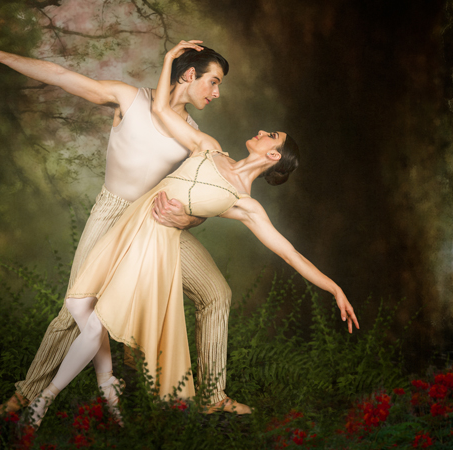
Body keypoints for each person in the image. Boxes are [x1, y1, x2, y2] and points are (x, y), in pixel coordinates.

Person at [25, 40, 360, 427]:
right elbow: (160, 109)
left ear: (272, 157)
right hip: (129, 224)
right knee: (81, 308)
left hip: (156, 248)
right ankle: (106, 388)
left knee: (100, 318)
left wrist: (333, 288)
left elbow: (290, 254)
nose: (265, 131)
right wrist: (169, 58)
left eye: (273, 137)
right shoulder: (210, 147)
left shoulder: (246, 204)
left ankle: (49, 401)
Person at [0, 42, 253, 415]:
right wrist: (1, 57)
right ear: (189, 75)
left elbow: (206, 198)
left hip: (156, 226)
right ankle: (26, 396)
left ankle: (212, 399)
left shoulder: (194, 135)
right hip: (113, 215)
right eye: (213, 81)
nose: (216, 92)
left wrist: (187, 219)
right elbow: (63, 77)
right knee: (74, 312)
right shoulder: (128, 99)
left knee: (216, 293)